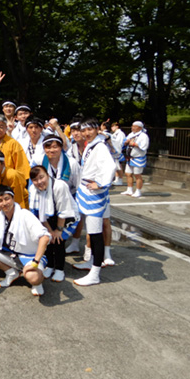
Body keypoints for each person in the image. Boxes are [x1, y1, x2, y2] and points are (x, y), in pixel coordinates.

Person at [0, 185, 50, 294]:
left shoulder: (25, 215)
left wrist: (35, 262)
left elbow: (45, 237)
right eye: (0, 200)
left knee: (33, 278)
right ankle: (11, 272)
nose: (4, 203)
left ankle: (37, 282)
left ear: (13, 198)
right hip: (11, 254)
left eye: (7, 199)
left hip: (30, 256)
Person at [72, 119, 116, 287]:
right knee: (92, 232)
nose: (87, 133)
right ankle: (91, 263)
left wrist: (101, 183)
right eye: (84, 130)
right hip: (88, 189)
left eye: (90, 129)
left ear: (97, 129)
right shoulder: (92, 144)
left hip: (94, 193)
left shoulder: (100, 147)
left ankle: (95, 273)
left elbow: (110, 167)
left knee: (95, 234)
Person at [28, 165, 79, 283]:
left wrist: (58, 230)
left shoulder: (59, 186)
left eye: (41, 177)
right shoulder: (33, 189)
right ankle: (50, 265)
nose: (39, 182)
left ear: (47, 175)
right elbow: (39, 214)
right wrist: (50, 231)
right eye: (35, 180)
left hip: (66, 216)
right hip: (47, 217)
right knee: (47, 239)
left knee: (58, 240)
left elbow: (64, 211)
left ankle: (60, 269)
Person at [122, 122, 150, 198]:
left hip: (138, 158)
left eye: (135, 126)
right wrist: (126, 142)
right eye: (132, 126)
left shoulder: (144, 136)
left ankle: (138, 191)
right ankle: (129, 189)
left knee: (137, 175)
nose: (133, 128)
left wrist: (134, 144)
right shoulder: (131, 134)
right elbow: (123, 143)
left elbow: (144, 146)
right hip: (129, 157)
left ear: (140, 128)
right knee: (128, 173)